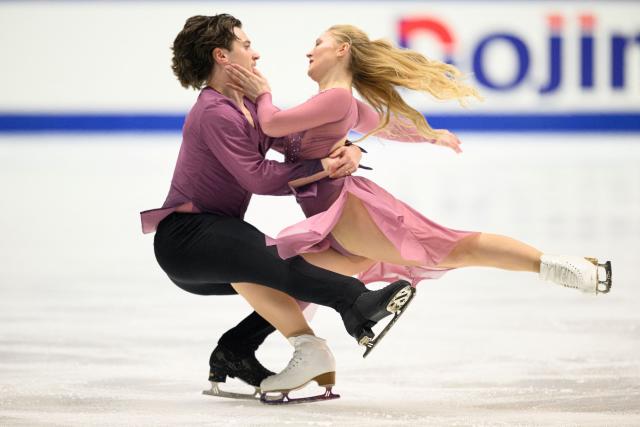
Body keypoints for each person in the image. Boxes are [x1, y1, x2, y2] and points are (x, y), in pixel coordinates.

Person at [225, 24, 613, 297]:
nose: (310, 50)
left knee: (454, 248)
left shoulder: (338, 99)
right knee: (295, 281)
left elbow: (272, 122)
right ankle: (301, 352)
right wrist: (431, 135)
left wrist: (262, 93)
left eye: (318, 42)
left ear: (341, 50)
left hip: (345, 211)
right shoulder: (337, 103)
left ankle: (561, 267)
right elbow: (389, 128)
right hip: (329, 216)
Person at [140, 15, 413, 404]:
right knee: (276, 257)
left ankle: (235, 348)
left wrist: (353, 148)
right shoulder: (214, 111)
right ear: (223, 55)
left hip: (219, 241)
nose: (256, 52)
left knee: (282, 272)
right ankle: (356, 303)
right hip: (186, 239)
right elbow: (258, 178)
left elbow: (299, 145)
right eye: (246, 45)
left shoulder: (248, 105)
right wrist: (321, 169)